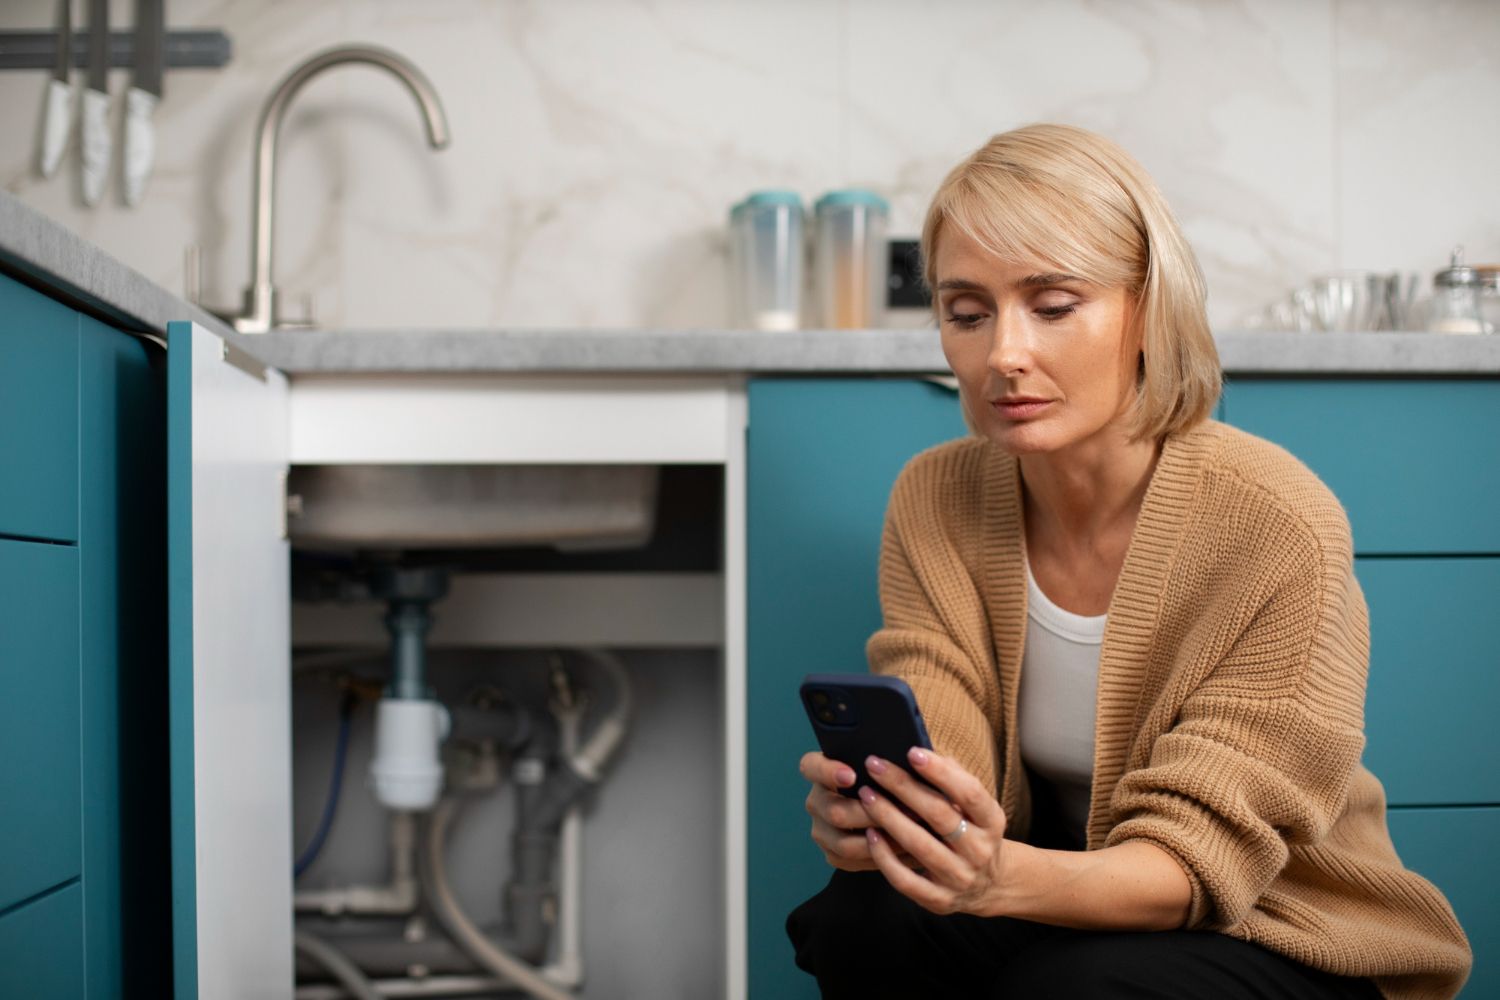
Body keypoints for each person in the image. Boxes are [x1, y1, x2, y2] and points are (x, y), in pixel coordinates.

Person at [787, 124, 1471, 1000]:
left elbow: (1197, 863)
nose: (1003, 354)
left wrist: (995, 879)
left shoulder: (1276, 524)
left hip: (1281, 926)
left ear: (1149, 309)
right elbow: (945, 743)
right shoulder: (936, 498)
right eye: (966, 313)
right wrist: (903, 819)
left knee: (1078, 988)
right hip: (1064, 894)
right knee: (864, 915)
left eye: (1054, 305)